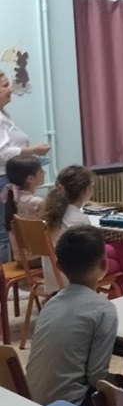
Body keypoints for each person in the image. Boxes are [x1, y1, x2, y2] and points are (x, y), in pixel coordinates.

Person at [26, 226, 118, 406]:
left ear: (58, 266)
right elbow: (97, 377)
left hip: (31, 401)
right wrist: (120, 384)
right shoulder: (104, 310)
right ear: (104, 265)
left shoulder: (50, 304)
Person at [42, 165, 123, 295]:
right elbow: (93, 254)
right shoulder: (79, 219)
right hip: (74, 273)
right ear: (85, 190)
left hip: (53, 271)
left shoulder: (50, 214)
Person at [0, 70, 50, 262]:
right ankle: (6, 277)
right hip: (2, 178)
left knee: (9, 231)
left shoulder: (4, 115)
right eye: (5, 85)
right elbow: (2, 153)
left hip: (6, 177)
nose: (11, 89)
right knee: (4, 234)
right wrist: (32, 150)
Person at [3, 154, 45, 261]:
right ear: (30, 178)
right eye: (41, 171)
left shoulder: (13, 198)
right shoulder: (36, 202)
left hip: (20, 258)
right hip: (37, 258)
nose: (44, 173)